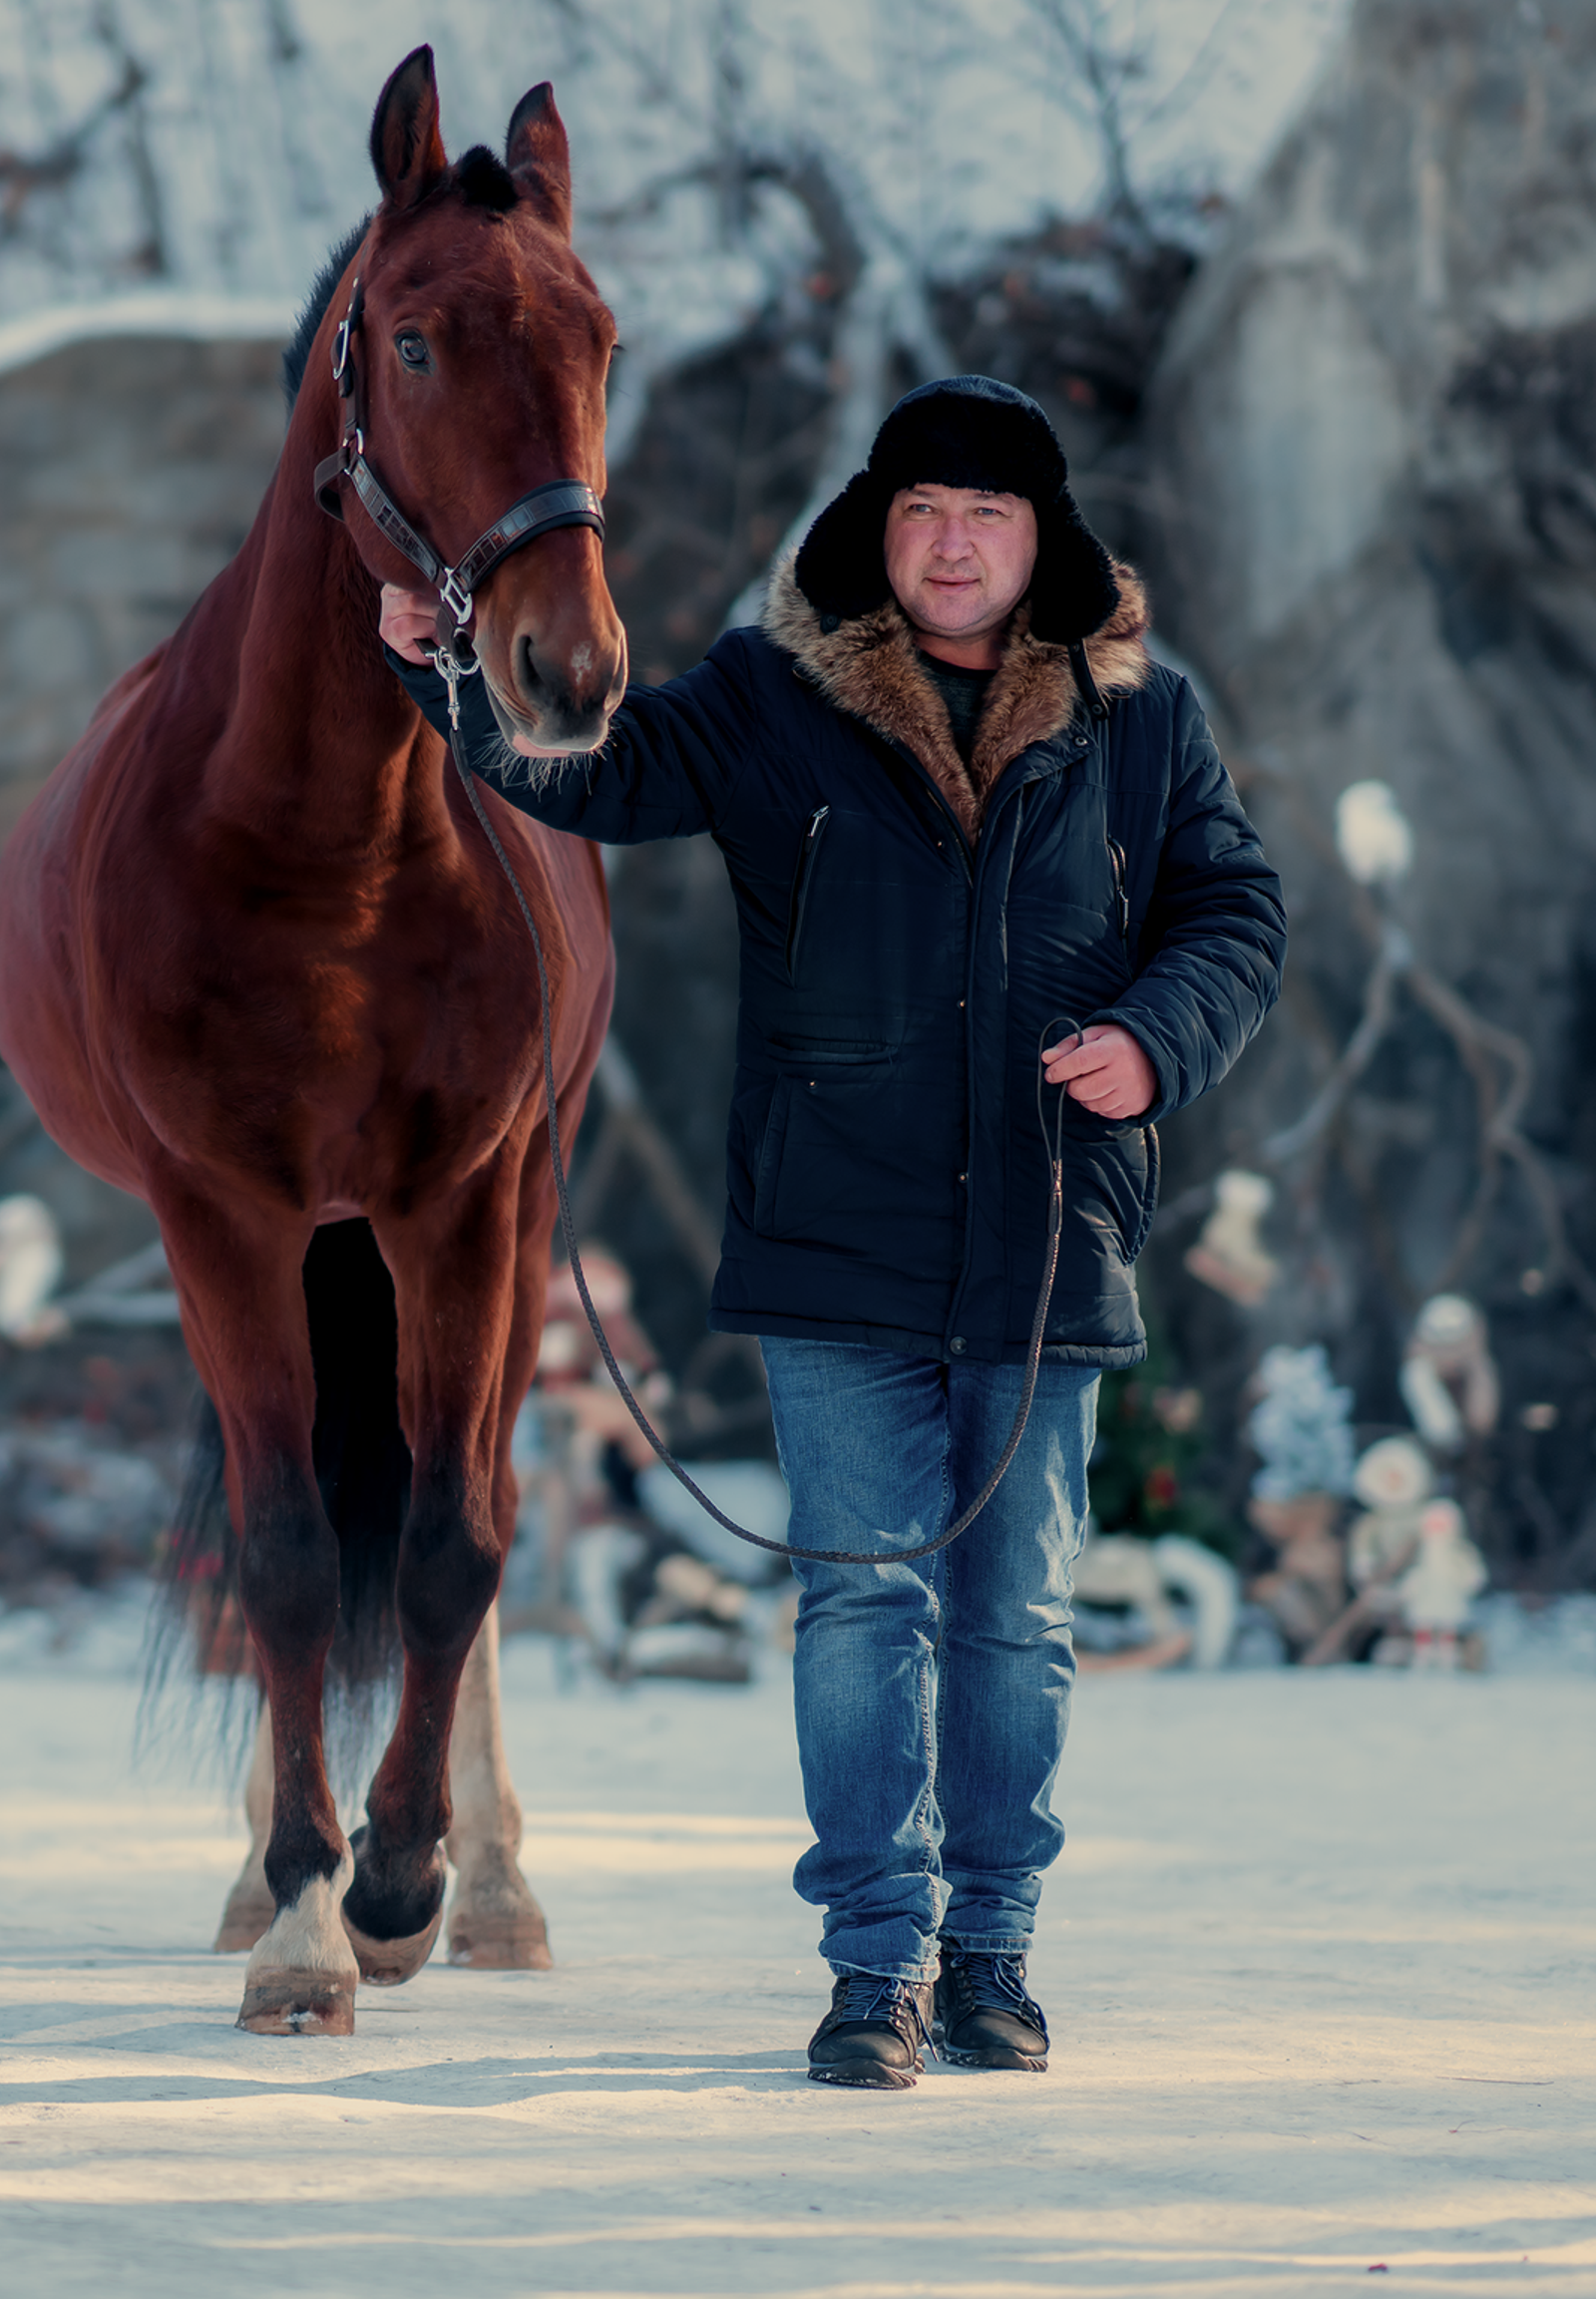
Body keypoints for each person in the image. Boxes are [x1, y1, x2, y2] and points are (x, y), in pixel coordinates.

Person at [381, 375, 1284, 2089]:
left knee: (1017, 1616)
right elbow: (589, 767)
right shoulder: (768, 698)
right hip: (833, 1244)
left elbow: (1237, 907)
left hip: (1044, 1241)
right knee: (865, 1608)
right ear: (880, 533)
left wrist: (1157, 1041)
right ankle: (875, 1969)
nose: (953, 545)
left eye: (989, 517)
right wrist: (439, 661)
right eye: (923, 514)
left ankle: (994, 1955)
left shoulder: (1141, 725)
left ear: (1045, 542)